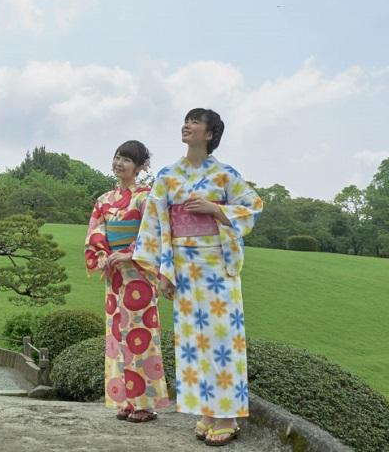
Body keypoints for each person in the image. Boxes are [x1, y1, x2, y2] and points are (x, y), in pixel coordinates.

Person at [132, 108, 262, 446]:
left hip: (217, 268)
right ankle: (207, 411)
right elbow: (155, 224)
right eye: (186, 120)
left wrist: (216, 209)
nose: (187, 125)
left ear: (210, 133)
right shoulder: (167, 176)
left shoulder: (225, 175)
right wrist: (163, 271)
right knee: (193, 342)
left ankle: (228, 416)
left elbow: (253, 205)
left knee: (223, 341)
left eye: (195, 121)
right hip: (183, 267)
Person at [84, 140, 170, 423]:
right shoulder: (104, 200)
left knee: (140, 338)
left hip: (138, 276)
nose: (120, 163)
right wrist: (107, 256)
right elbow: (96, 232)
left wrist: (127, 254)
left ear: (141, 167)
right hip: (115, 276)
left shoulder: (146, 198)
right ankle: (126, 401)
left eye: (127, 160)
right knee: (117, 337)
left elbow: (152, 234)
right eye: (118, 157)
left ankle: (145, 403)